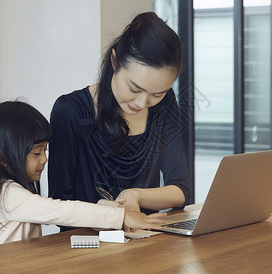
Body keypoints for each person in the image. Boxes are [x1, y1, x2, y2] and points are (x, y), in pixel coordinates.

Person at [48, 12, 191, 231]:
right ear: (115, 61)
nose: (143, 102)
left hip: (146, 242)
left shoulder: (164, 104)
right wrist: (103, 216)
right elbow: (58, 205)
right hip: (85, 249)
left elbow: (180, 190)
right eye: (135, 88)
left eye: (158, 93)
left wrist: (137, 195)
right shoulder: (70, 111)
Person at [0, 101, 166, 249]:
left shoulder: (12, 191)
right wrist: (122, 216)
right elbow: (58, 211)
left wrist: (104, 213)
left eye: (45, 150)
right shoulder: (4, 193)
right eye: (36, 153)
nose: (44, 159)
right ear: (3, 158)